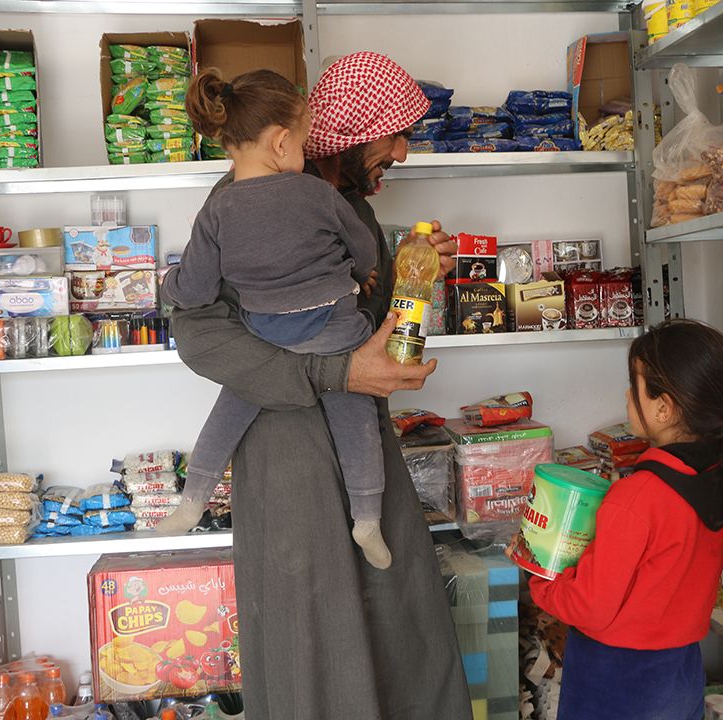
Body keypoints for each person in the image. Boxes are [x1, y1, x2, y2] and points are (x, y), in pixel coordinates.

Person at [163, 52, 473, 719]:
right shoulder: (241, 204)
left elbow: (358, 322)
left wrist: (418, 276)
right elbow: (198, 333)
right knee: (313, 640)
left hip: (362, 440)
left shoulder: (347, 202)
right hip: (286, 453)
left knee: (398, 622)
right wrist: (337, 372)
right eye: (393, 133)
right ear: (352, 129)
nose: (404, 151)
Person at [161, 67, 394, 570]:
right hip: (336, 330)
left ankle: (192, 499)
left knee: (231, 408)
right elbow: (364, 251)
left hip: (267, 335)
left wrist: (168, 284)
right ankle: (368, 519)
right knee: (357, 420)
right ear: (283, 142)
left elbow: (197, 290)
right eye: (306, 143)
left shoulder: (217, 210)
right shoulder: (317, 194)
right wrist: (359, 272)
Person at [522, 320, 723, 719]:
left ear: (664, 409)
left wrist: (539, 573)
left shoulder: (636, 497)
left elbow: (589, 606)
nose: (627, 395)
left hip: (615, 679)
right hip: (680, 672)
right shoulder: (720, 482)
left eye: (636, 385)